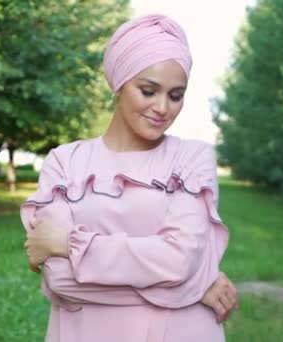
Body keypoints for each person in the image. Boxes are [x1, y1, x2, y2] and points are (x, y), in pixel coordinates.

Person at [20, 13, 237, 342]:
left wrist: (68, 244)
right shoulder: (65, 163)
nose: (162, 107)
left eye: (176, 95)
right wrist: (194, 288)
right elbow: (61, 281)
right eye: (148, 91)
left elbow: (178, 262)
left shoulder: (192, 158)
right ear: (119, 83)